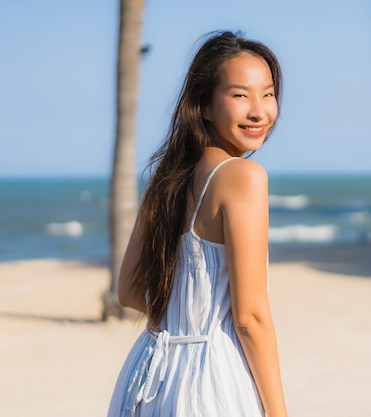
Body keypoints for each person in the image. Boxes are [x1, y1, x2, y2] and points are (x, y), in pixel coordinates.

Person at [107, 31, 288, 417]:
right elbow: (250, 318)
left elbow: (129, 290)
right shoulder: (244, 177)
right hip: (211, 380)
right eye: (240, 95)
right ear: (204, 105)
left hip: (148, 375)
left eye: (268, 94)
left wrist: (183, 315)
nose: (259, 111)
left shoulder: (167, 178)